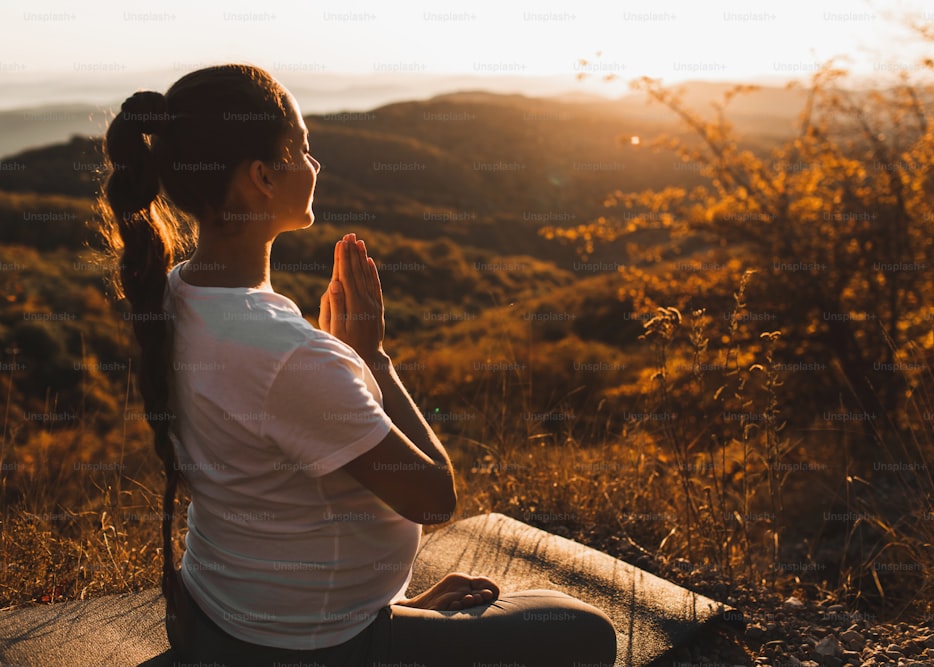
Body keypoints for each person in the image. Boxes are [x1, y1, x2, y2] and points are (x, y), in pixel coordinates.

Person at [99, 64, 617, 666]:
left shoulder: (172, 295)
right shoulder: (288, 354)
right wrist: (372, 357)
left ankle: (397, 618)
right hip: (310, 645)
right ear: (262, 177)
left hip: (216, 618)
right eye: (303, 148)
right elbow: (433, 498)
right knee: (583, 629)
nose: (315, 165)